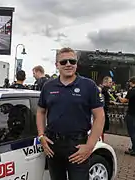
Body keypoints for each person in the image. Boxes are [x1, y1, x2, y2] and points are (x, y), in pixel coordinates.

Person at [36, 47, 105, 180]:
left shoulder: (88, 85)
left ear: (76, 64)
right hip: (53, 145)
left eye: (72, 61)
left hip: (78, 146)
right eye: (63, 62)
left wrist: (90, 146)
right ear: (57, 65)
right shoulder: (48, 86)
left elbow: (100, 116)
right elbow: (40, 111)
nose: (68, 64)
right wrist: (41, 136)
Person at [118, 76, 135, 156]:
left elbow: (124, 100)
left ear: (131, 82)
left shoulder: (132, 90)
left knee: (132, 132)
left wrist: (119, 96)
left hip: (132, 114)